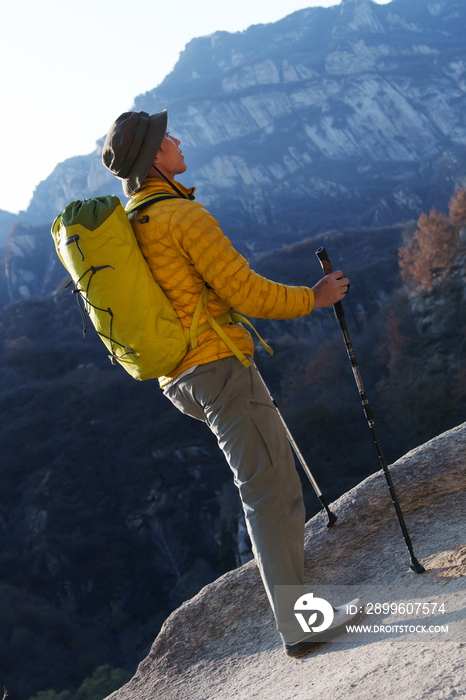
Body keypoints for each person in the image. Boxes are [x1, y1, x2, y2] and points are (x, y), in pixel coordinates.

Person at [102, 109, 364, 657]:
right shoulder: (180, 216)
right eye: (166, 137)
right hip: (218, 368)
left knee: (269, 481)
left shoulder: (134, 220)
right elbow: (245, 290)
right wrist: (312, 299)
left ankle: (303, 611)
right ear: (155, 159)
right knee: (269, 493)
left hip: (181, 376)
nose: (176, 139)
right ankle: (302, 625)